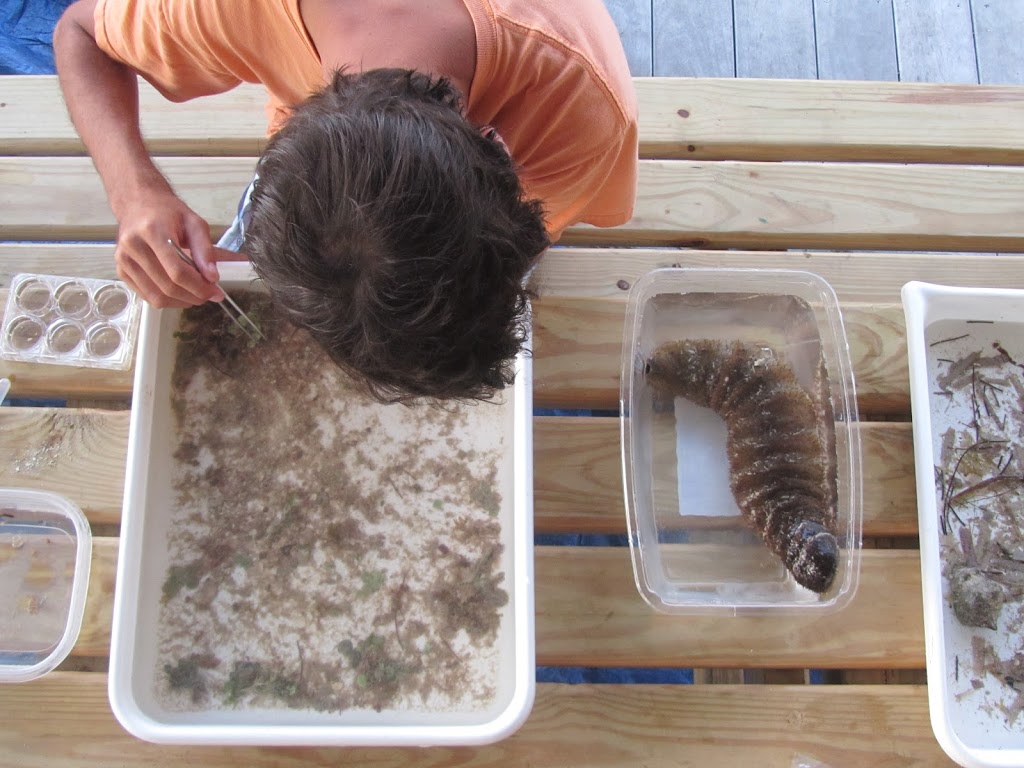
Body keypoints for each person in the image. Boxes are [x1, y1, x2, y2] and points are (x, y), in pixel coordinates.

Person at [53, 0, 638, 401]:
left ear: (500, 148)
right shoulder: (225, 10)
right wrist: (136, 194)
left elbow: (513, 250)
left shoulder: (578, 111)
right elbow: (77, 31)